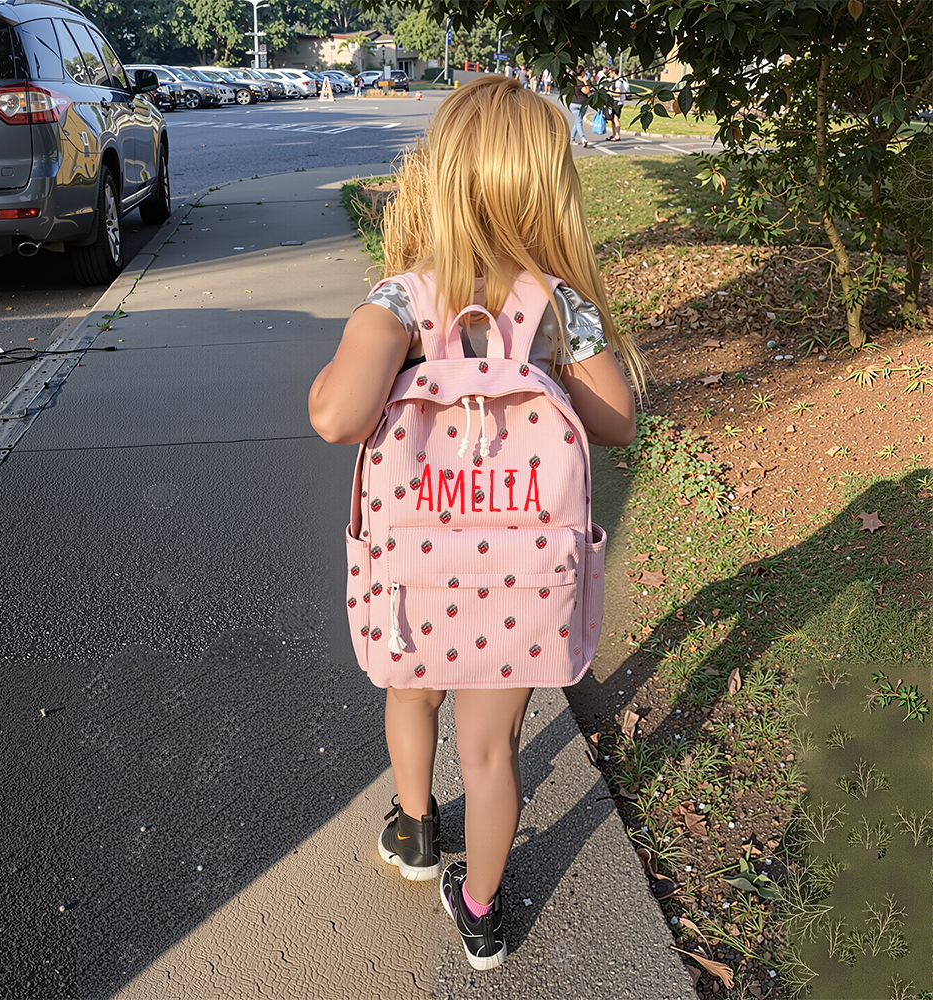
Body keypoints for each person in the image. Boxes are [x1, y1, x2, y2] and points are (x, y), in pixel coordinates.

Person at [309, 76, 641, 972]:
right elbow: (614, 423)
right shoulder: (555, 307)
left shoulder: (404, 298)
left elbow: (338, 416)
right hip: (524, 574)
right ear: (547, 189)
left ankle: (417, 829)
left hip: (417, 567)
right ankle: (483, 908)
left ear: (443, 175)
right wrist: (561, 347)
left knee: (410, 694)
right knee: (491, 747)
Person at [568, 65, 591, 147]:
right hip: (581, 104)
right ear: (582, 72)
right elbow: (587, 91)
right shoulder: (580, 83)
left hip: (573, 103)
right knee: (579, 122)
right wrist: (585, 82)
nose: (585, 73)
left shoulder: (573, 81)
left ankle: (572, 139)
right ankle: (583, 138)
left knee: (577, 121)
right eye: (584, 71)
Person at [606, 66, 630, 141]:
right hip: (615, 101)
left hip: (618, 102)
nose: (609, 75)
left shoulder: (618, 82)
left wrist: (609, 92)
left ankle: (617, 135)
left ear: (613, 72)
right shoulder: (615, 81)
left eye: (610, 73)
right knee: (613, 119)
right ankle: (614, 134)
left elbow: (618, 93)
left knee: (616, 119)